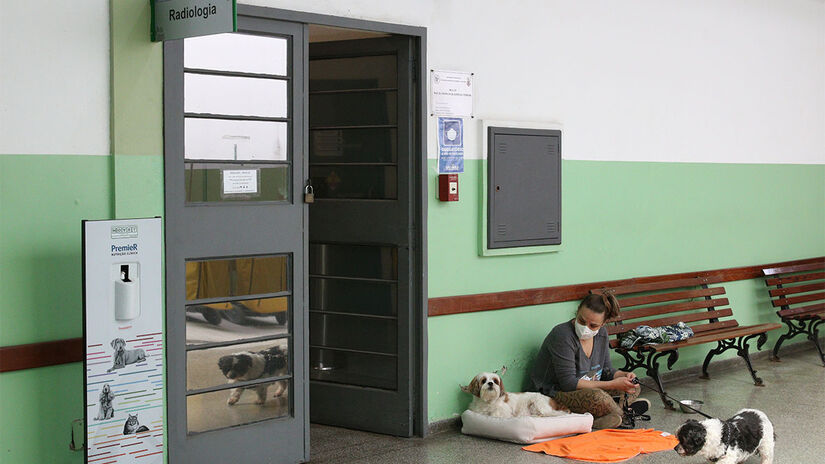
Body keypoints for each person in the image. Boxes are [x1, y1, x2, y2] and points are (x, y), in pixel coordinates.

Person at [530, 292, 650, 429]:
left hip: (589, 388)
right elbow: (568, 383)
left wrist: (623, 376)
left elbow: (607, 370)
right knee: (598, 397)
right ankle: (624, 414)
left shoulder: (602, 334)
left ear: (603, 323)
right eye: (581, 320)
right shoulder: (562, 335)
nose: (585, 328)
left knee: (634, 386)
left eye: (593, 325)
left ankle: (607, 416)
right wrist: (612, 384)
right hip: (552, 394)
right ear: (577, 312)